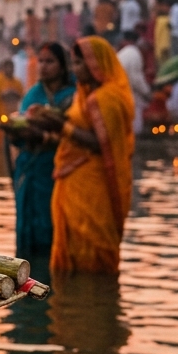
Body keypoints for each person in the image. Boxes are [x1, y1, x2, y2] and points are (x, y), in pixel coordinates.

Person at [41, 37, 135, 274]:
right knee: (73, 255)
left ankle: (94, 303)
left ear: (97, 65)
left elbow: (102, 144)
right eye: (73, 64)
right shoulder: (84, 95)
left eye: (80, 64)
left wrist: (61, 126)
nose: (75, 70)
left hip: (94, 184)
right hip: (75, 180)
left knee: (92, 250)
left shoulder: (106, 98)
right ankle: (76, 304)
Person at [10, 42, 77, 259]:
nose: (43, 66)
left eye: (50, 61)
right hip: (31, 170)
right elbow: (19, 131)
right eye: (41, 61)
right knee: (29, 236)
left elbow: (78, 131)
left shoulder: (75, 95)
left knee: (56, 229)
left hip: (60, 169)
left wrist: (48, 132)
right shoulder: (33, 95)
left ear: (63, 65)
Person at [116, 30, 151, 136]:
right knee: (135, 129)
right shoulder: (133, 53)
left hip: (120, 92)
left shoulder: (123, 53)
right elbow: (135, 78)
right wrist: (147, 92)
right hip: (128, 94)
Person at [0, 58, 24, 150]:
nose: (10, 69)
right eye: (7, 67)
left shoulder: (17, 82)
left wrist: (14, 93)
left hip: (13, 117)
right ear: (3, 68)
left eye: (11, 67)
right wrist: (3, 94)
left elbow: (22, 96)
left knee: (13, 144)